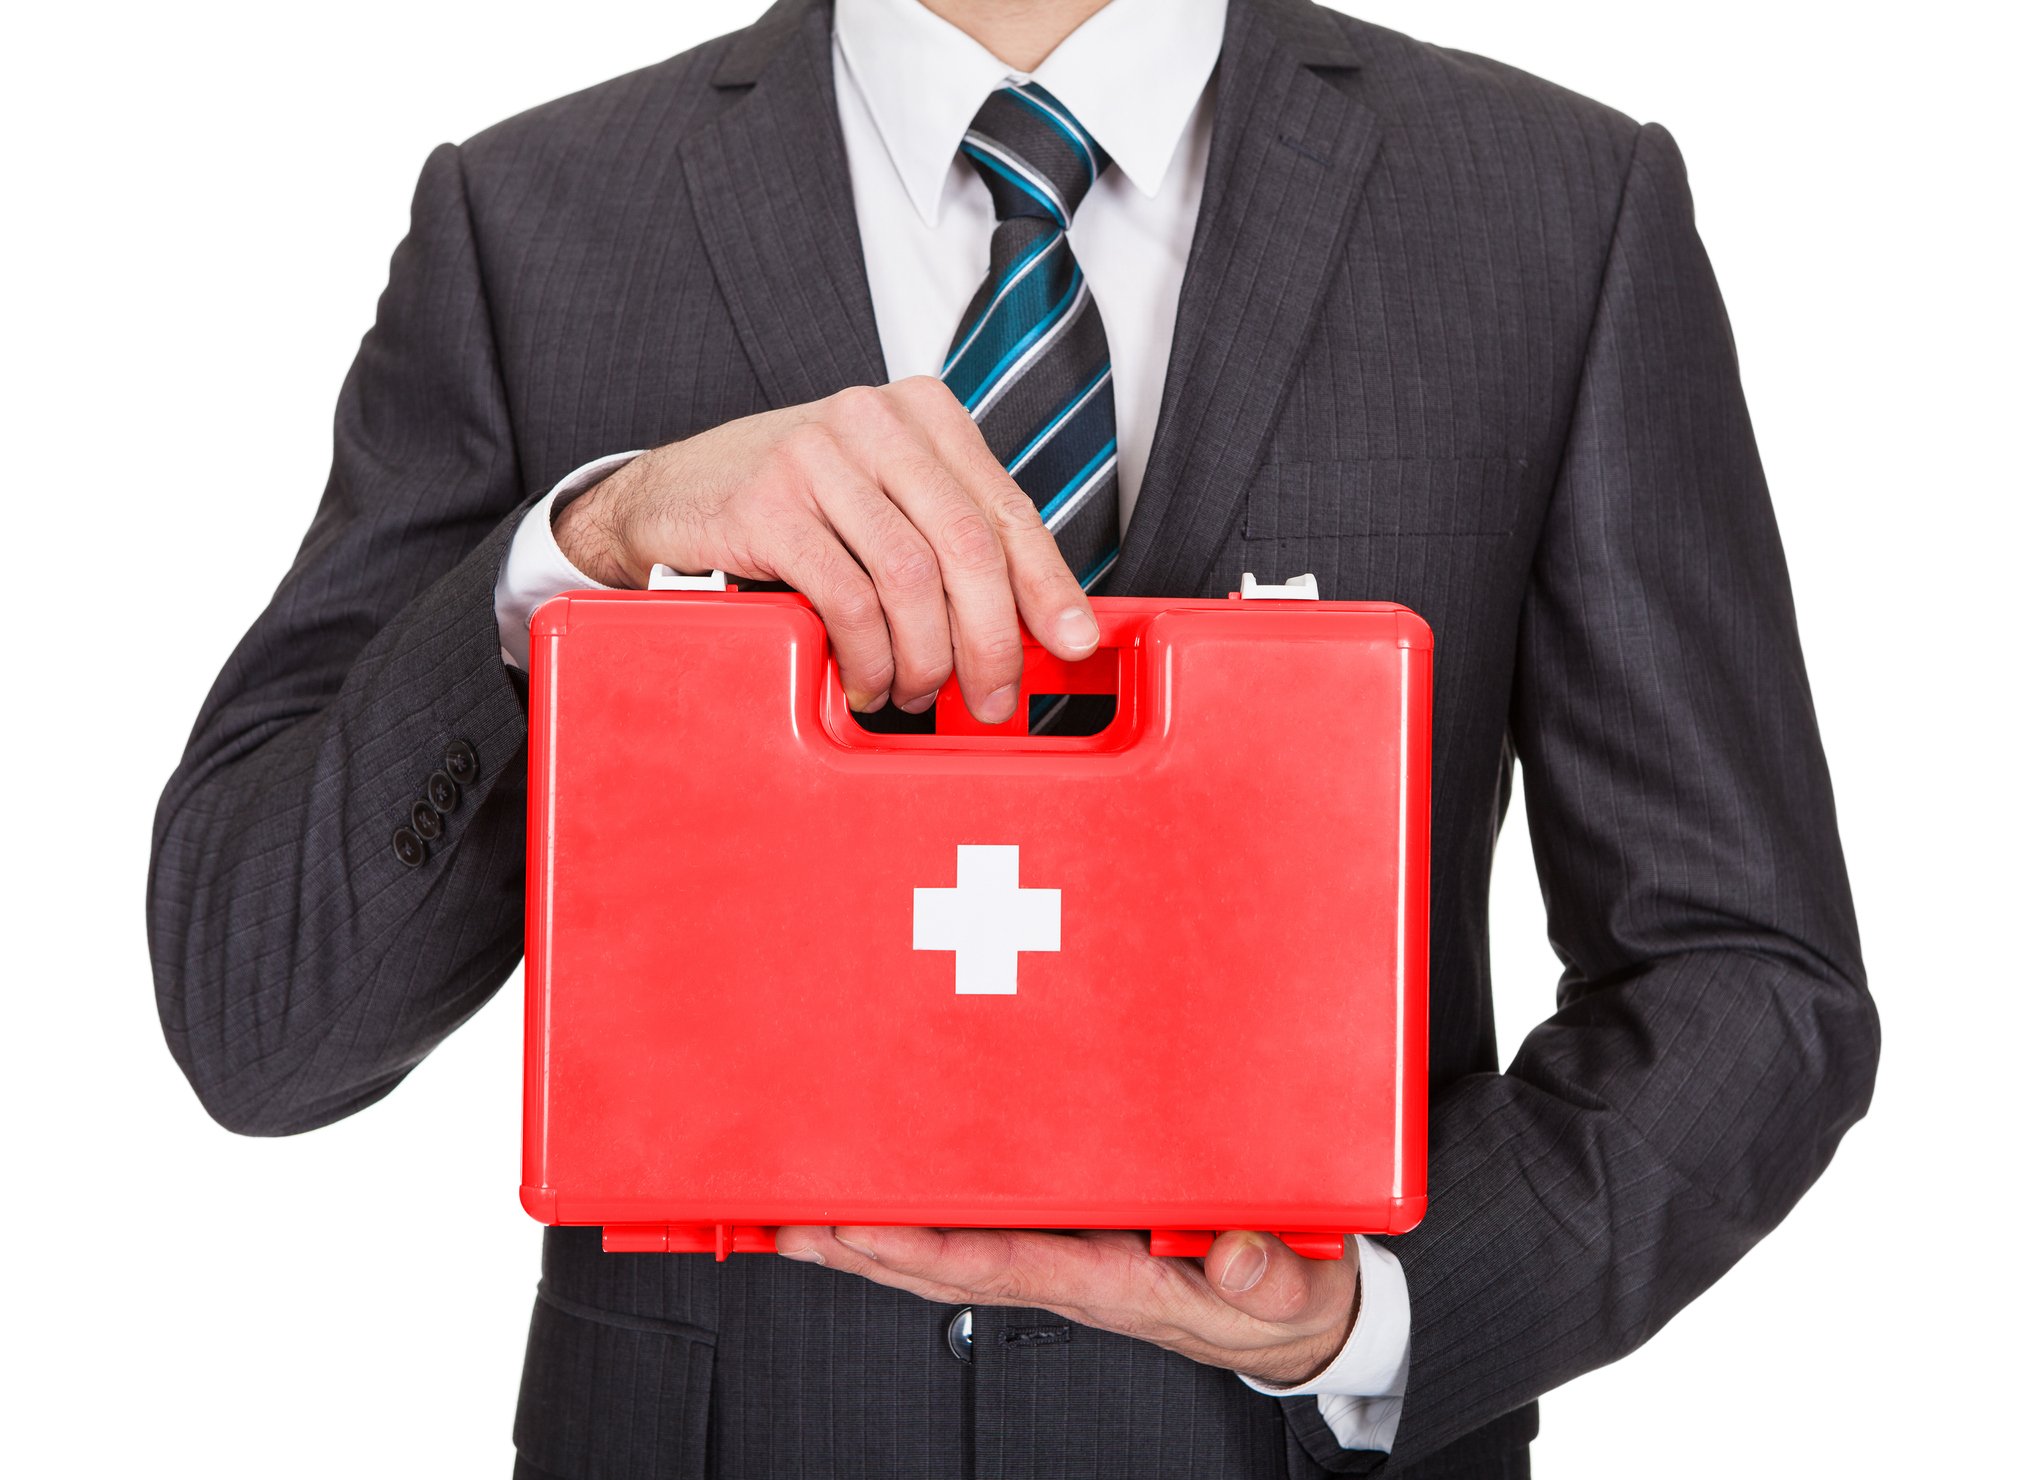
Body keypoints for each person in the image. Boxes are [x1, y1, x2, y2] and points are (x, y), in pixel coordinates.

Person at [145, 0, 1878, 1474]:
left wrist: (1380, 1305)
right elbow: (258, 1017)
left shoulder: (1550, 208)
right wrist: (581, 547)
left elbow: (1745, 976)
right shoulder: (531, 222)